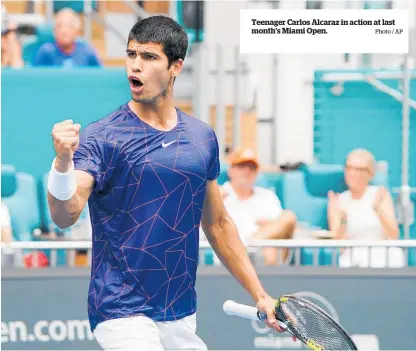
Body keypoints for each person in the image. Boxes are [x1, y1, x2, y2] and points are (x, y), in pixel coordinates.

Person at [47, 16, 290, 350]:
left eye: (149, 57)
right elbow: (65, 215)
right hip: (120, 309)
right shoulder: (102, 136)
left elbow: (218, 224)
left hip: (179, 309)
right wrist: (62, 163)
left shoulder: (201, 137)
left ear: (176, 66)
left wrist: (260, 295)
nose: (135, 66)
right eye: (132, 55)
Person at [328, 148, 403, 267]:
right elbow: (339, 245)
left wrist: (378, 210)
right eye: (348, 168)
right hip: (354, 255)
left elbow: (393, 235)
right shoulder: (338, 200)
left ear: (370, 173)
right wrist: (342, 218)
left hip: (383, 252)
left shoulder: (380, 195)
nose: (351, 173)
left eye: (358, 169)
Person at [221, 148, 296, 265]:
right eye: (241, 166)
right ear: (231, 170)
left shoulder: (267, 196)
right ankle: (246, 248)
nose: (247, 171)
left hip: (261, 251)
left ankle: (248, 246)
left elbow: (280, 227)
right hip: (228, 254)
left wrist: (263, 233)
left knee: (288, 217)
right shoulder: (219, 195)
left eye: (252, 168)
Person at [33, 8, 101, 67]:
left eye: (69, 26)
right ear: (54, 32)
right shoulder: (45, 52)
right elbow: (34, 77)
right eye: (59, 26)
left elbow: (99, 76)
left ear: (77, 31)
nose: (64, 31)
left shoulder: (87, 52)